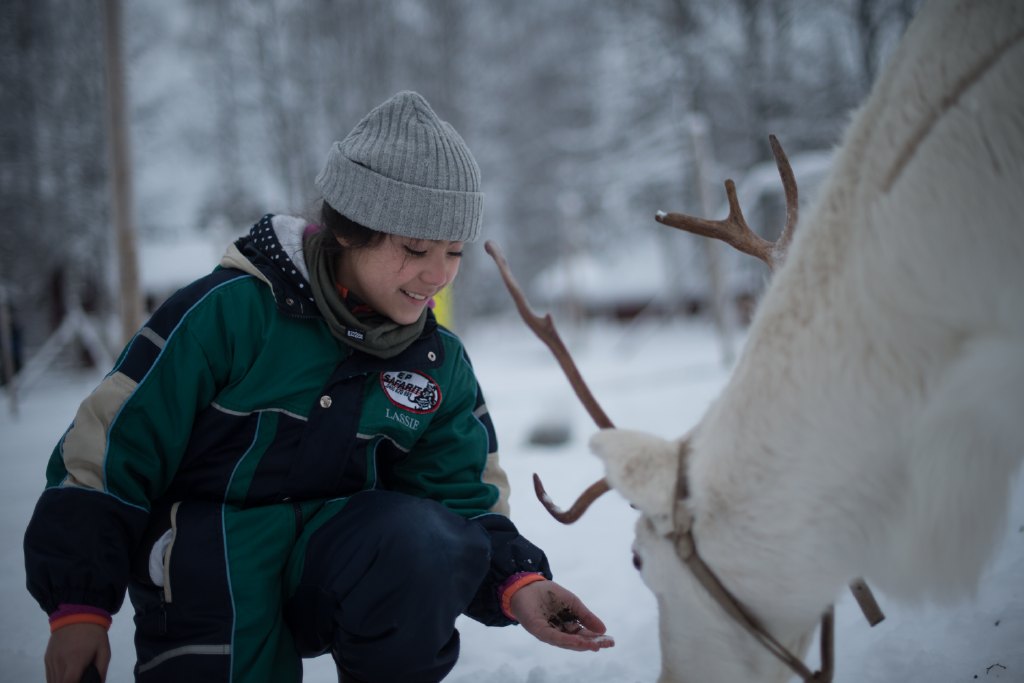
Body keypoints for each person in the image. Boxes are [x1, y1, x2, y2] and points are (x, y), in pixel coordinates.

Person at [24, 91, 613, 683]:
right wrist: (79, 604)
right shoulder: (229, 315)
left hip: (333, 567)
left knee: (422, 540)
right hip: (212, 569)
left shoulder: (436, 363)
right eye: (415, 249)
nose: (437, 275)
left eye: (453, 252)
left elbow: (460, 500)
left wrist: (519, 582)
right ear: (351, 231)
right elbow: (111, 451)